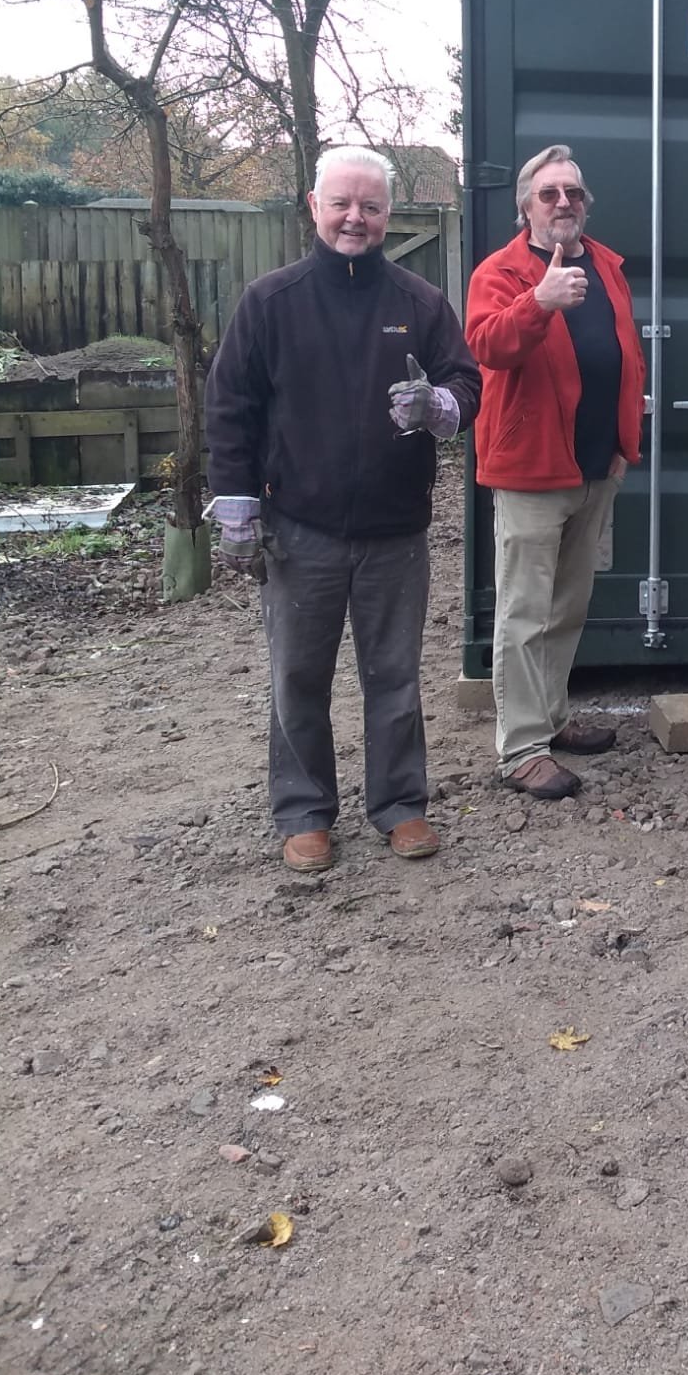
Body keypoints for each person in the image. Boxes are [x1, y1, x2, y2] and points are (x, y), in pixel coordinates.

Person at [205, 145, 481, 871]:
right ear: (314, 206)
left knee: (393, 675)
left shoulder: (419, 304)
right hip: (302, 528)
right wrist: (235, 504)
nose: (356, 217)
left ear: (388, 215)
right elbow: (231, 407)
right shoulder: (270, 302)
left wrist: (440, 404)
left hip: (397, 530)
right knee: (298, 676)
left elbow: (466, 380)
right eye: (342, 204)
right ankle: (304, 811)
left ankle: (400, 806)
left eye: (371, 206)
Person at [464, 145, 646, 801]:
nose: (563, 202)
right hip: (531, 471)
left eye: (573, 192)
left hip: (596, 465)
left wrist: (628, 435)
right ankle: (520, 749)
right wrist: (539, 302)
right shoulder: (502, 272)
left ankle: (553, 719)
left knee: (568, 607)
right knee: (523, 612)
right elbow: (487, 346)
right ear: (526, 206)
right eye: (549, 194)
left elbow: (626, 352)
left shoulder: (606, 266)